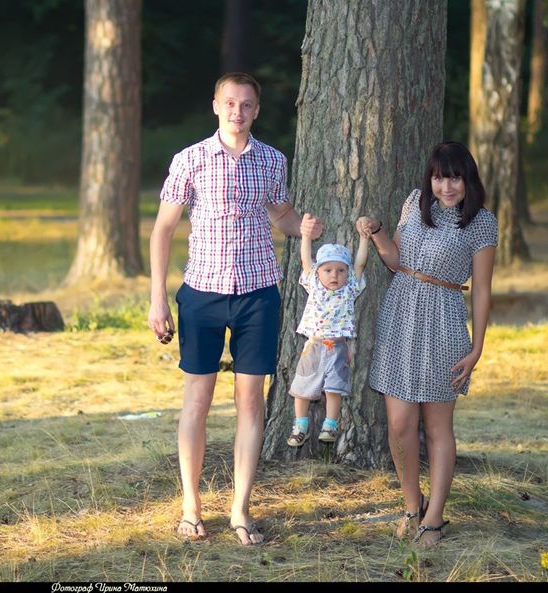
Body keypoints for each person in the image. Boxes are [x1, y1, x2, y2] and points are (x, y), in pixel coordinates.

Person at [147, 72, 323, 546]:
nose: (237, 112)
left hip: (257, 294)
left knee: (250, 402)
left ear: (257, 111)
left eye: (246, 105)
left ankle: (240, 510)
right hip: (201, 294)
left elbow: (280, 215)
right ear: (215, 105)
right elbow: (163, 229)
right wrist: (158, 297)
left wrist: (300, 227)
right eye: (229, 103)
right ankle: (190, 508)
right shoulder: (190, 160)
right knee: (197, 401)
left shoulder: (271, 161)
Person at [357, 141, 497, 547]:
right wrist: (380, 233)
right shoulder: (415, 203)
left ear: (467, 179)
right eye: (439, 177)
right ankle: (410, 504)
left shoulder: (481, 223)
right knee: (400, 425)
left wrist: (478, 347)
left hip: (445, 321)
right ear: (430, 179)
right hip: (401, 313)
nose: (446, 186)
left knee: (437, 428)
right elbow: (395, 261)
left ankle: (434, 518)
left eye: (454, 177)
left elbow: (483, 291)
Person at [286, 219, 369, 447]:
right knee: (303, 388)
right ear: (318, 271)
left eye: (341, 270)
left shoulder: (350, 287)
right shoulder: (313, 283)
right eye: (328, 270)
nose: (334, 275)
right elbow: (305, 260)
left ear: (347, 273)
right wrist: (305, 236)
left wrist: (364, 238)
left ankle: (330, 425)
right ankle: (300, 425)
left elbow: (360, 264)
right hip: (313, 345)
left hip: (337, 346)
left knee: (334, 388)